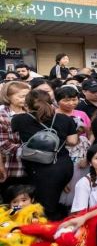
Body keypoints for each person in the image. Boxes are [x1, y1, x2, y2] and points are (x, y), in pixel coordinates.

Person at [11, 89, 78, 218]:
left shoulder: (19, 119)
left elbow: (15, 138)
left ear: (27, 104)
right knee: (51, 200)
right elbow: (72, 141)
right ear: (51, 102)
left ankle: (47, 229)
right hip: (62, 166)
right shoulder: (64, 118)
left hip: (38, 167)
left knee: (44, 207)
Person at [0, 81, 30, 190]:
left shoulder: (31, 112)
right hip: (10, 166)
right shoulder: (2, 115)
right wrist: (30, 150)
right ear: (8, 97)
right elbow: (4, 145)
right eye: (22, 96)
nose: (26, 99)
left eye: (28, 96)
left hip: (32, 167)